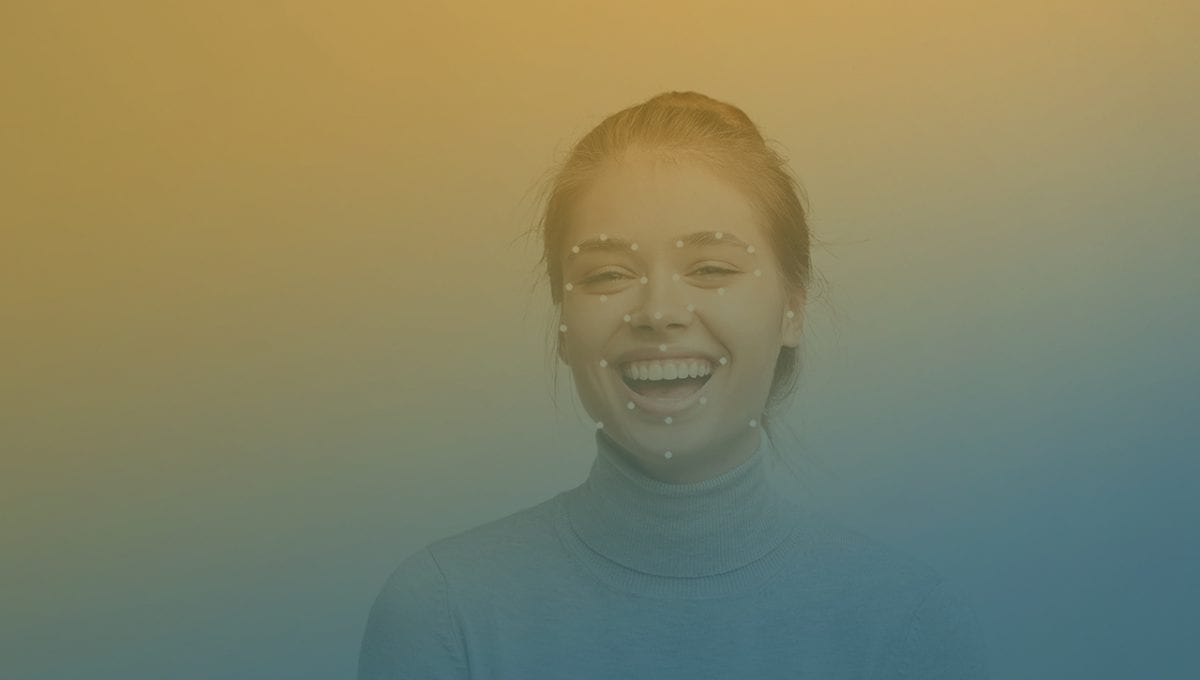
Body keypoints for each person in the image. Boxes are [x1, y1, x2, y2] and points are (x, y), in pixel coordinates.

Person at [358, 91, 989, 679]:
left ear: (792, 304)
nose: (658, 311)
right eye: (607, 274)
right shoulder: (443, 613)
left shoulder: (905, 625)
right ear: (561, 321)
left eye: (711, 267)